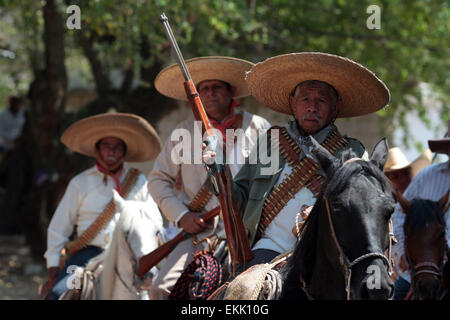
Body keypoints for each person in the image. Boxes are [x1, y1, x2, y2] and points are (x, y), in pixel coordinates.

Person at [203, 52, 391, 270]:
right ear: (293, 104)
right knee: (245, 291)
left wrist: (320, 212)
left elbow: (363, 206)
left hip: (327, 251)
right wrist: (218, 169)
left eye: (321, 100)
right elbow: (239, 201)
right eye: (305, 100)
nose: (312, 107)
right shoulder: (271, 142)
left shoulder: (352, 151)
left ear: (336, 107)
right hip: (270, 247)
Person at [148, 56, 271, 299]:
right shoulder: (183, 132)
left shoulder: (259, 127)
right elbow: (157, 180)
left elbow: (271, 179)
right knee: (161, 288)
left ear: (230, 92)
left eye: (217, 88)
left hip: (248, 231)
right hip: (201, 235)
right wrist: (182, 216)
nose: (211, 93)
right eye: (204, 89)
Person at [41, 112, 162, 300]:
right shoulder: (80, 183)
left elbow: (154, 220)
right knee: (58, 294)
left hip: (130, 253)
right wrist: (53, 263)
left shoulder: (139, 181)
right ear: (97, 150)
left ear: (124, 152)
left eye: (117, 147)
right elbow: (58, 228)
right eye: (107, 146)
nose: (112, 151)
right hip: (87, 254)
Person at [391, 120, 450, 300]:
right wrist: (401, 252)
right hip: (423, 270)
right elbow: (398, 216)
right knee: (395, 293)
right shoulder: (427, 176)